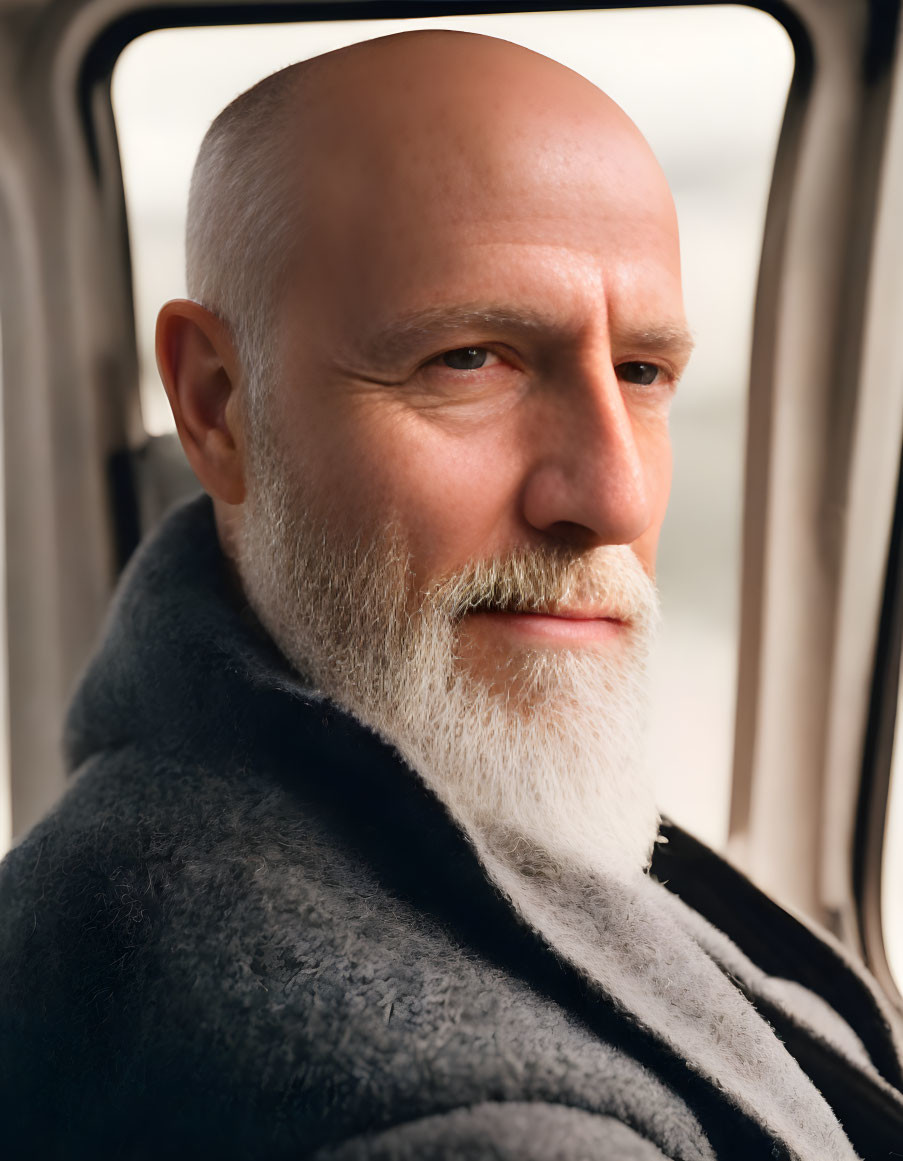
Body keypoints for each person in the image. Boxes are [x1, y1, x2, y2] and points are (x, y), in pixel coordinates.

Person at [1, 28, 902, 1161]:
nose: (615, 497)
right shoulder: (469, 1121)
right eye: (472, 359)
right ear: (218, 403)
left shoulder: (160, 829)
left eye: (642, 373)